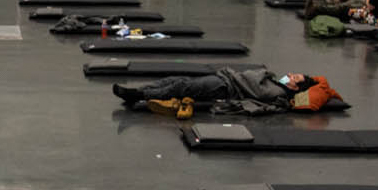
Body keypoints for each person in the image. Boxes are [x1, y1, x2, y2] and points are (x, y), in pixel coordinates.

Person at [111, 69, 341, 117]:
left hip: (225, 87)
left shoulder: (276, 91)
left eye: (295, 78)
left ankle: (138, 95)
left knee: (182, 87)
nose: (290, 75)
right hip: (225, 78)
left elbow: (253, 85)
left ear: (295, 87)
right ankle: (141, 92)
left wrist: (263, 73)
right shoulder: (274, 82)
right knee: (176, 80)